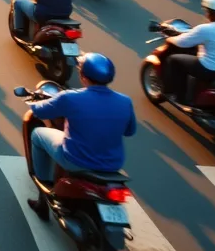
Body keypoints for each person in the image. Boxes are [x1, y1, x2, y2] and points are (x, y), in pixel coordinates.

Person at [26, 54, 135, 210]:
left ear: (83, 75)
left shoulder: (70, 98)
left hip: (76, 160)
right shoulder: (125, 101)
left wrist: (31, 101)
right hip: (112, 165)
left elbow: (40, 112)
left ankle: (43, 194)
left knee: (37, 135)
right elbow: (130, 131)